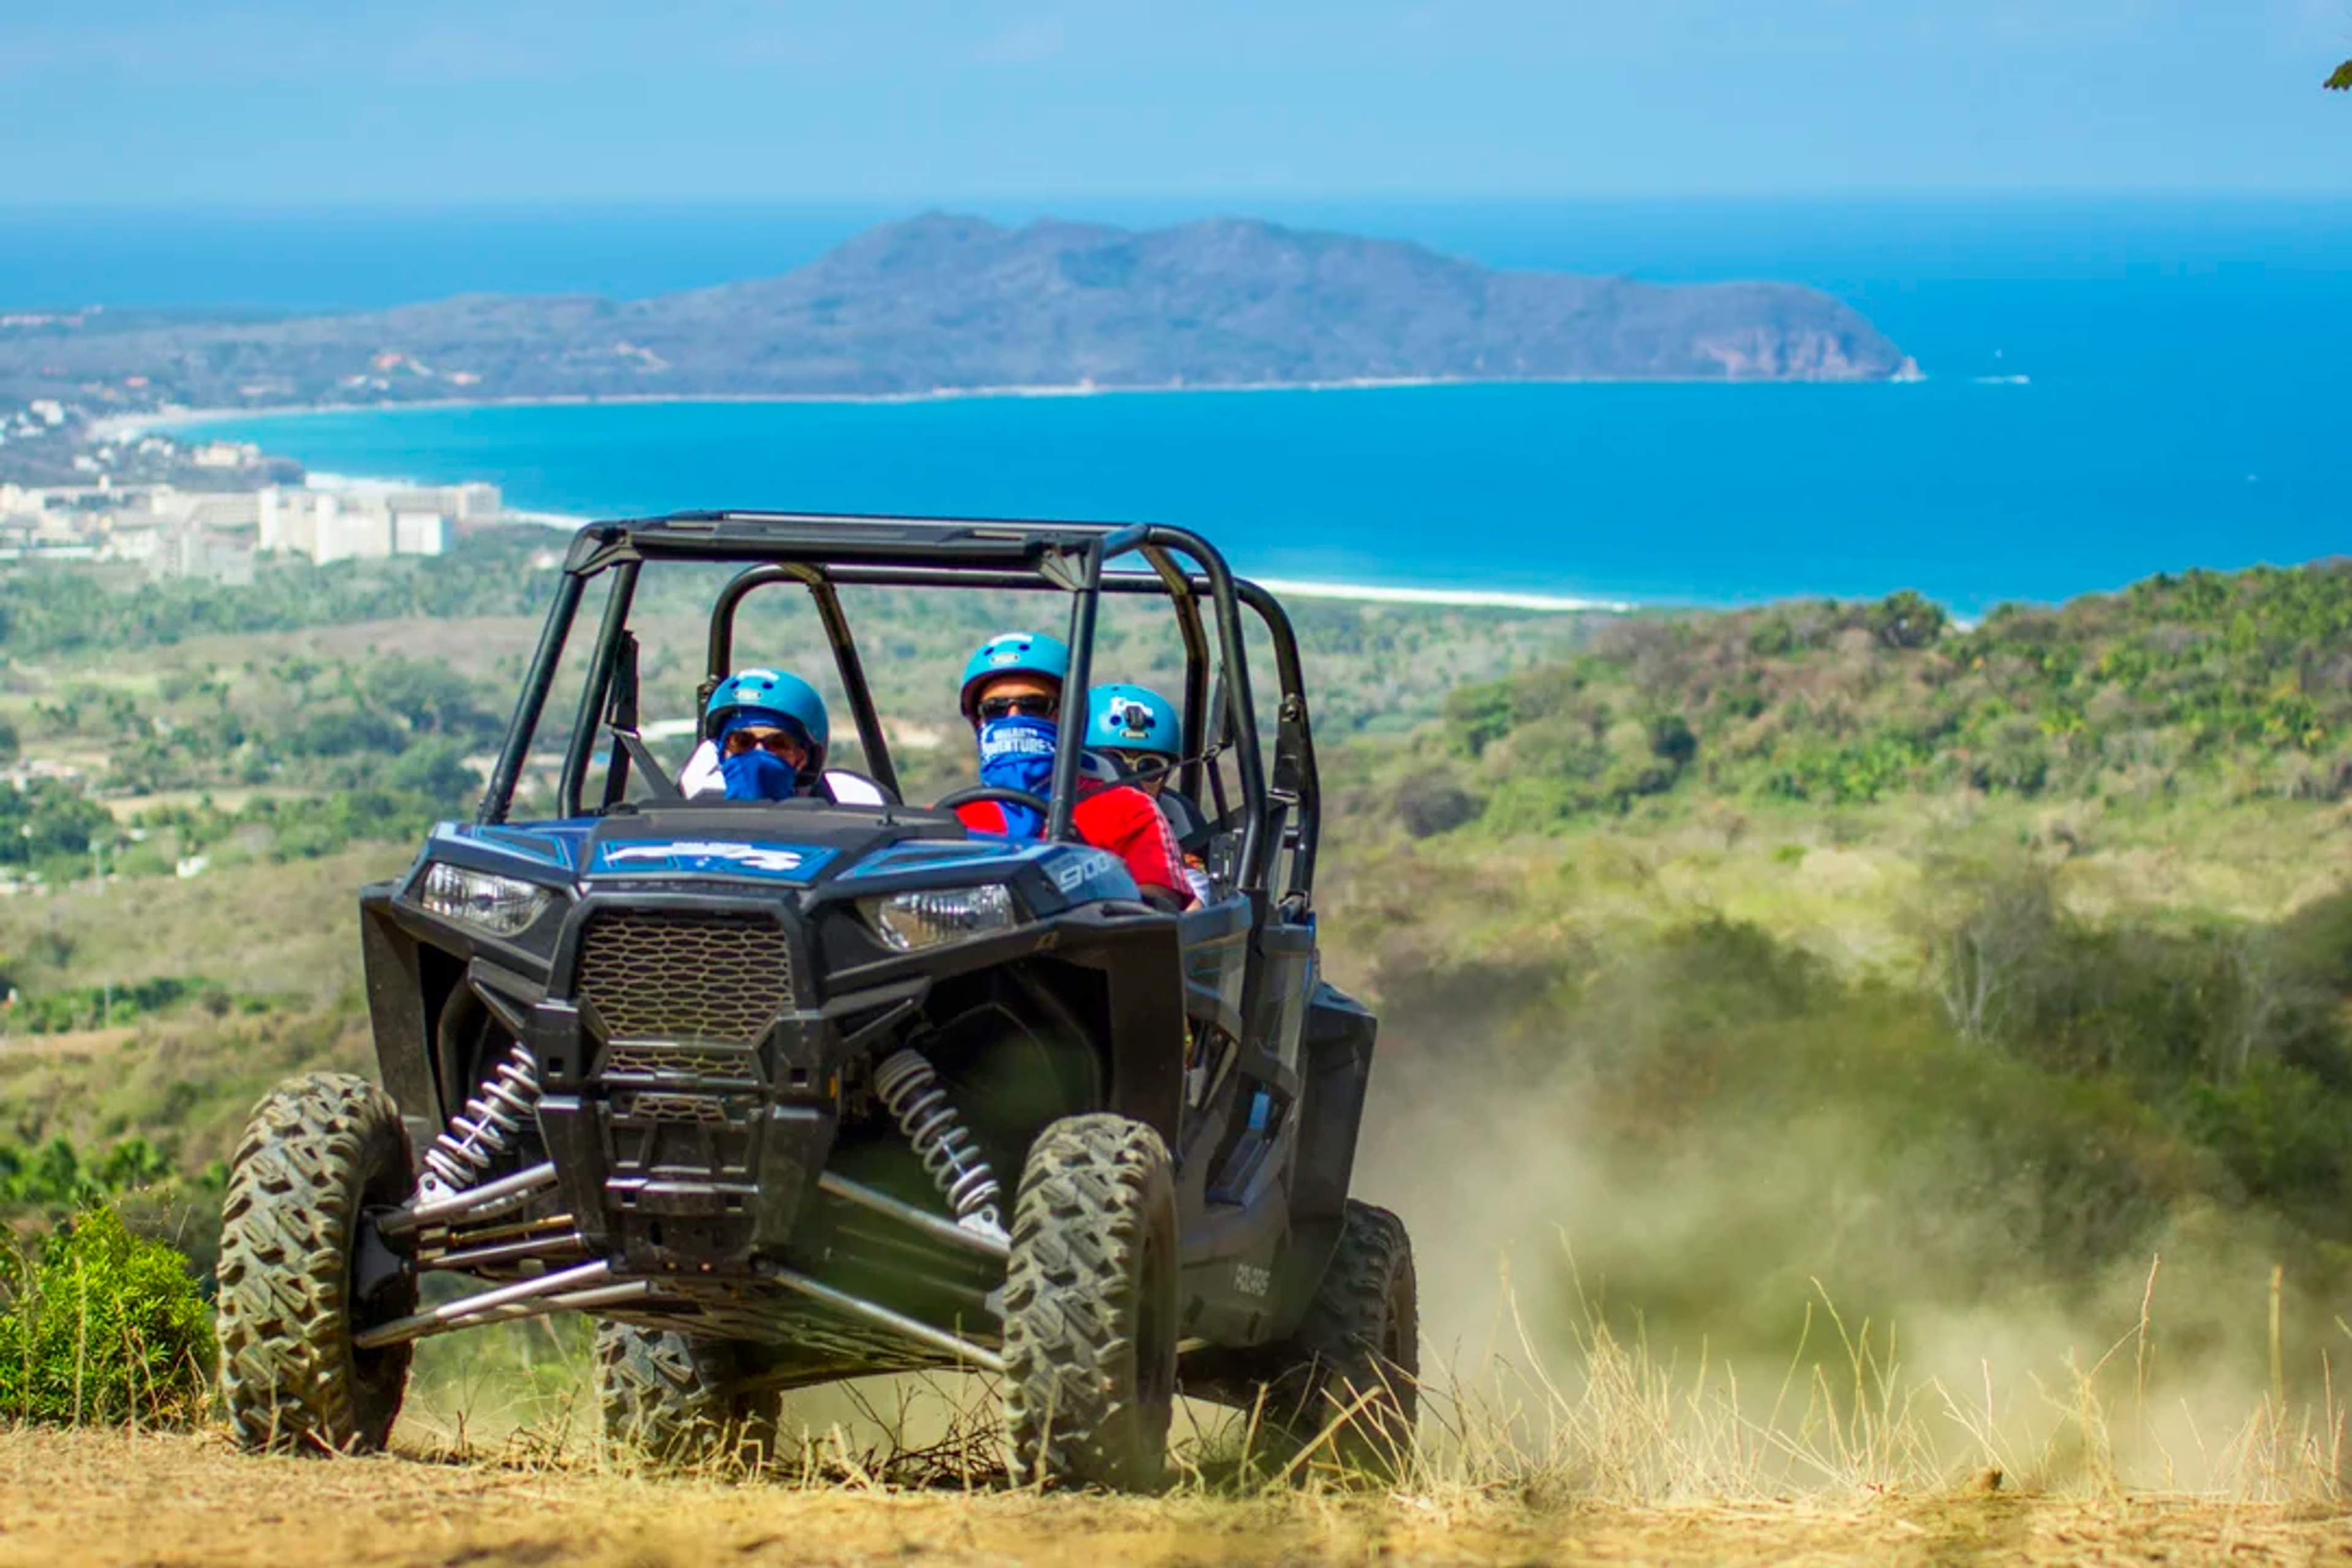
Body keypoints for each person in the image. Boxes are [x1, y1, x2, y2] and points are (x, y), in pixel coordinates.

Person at [954, 633, 1194, 908]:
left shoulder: (1127, 810)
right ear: (978, 722)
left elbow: (1159, 908)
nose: (1015, 719)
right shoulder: (954, 819)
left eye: (1035, 706)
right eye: (995, 709)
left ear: (1072, 715)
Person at [1087, 682, 1216, 905]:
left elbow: (1196, 892)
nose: (1132, 780)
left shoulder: (1180, 822)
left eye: (1149, 767)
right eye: (1113, 763)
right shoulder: (1059, 813)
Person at [678, 668, 831, 802]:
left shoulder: (832, 828)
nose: (758, 753)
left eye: (777, 744)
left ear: (802, 759)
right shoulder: (685, 827)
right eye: (742, 741)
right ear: (722, 753)